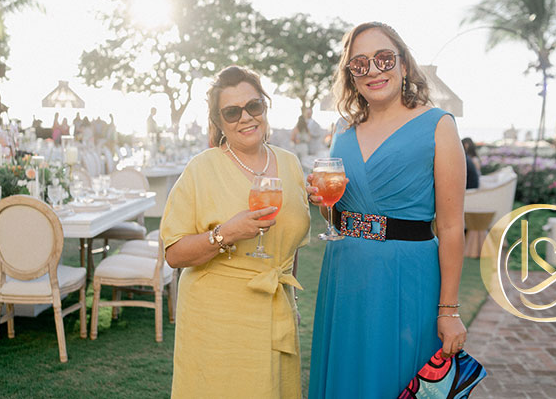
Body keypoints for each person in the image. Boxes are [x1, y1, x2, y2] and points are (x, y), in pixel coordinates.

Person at [307, 22, 467, 397]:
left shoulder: (438, 125)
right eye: (360, 63)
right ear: (351, 74)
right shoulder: (342, 129)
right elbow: (340, 216)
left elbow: (450, 227)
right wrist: (323, 203)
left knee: (396, 379)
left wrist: (449, 310)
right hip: (344, 276)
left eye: (383, 59)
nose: (373, 70)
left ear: (404, 64)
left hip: (406, 279)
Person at [160, 66, 310, 398]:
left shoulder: (290, 164)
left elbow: (291, 246)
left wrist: (293, 301)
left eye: (253, 106)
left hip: (276, 308)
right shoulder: (201, 169)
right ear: (219, 121)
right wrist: (225, 234)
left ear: (265, 107)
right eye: (232, 112)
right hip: (216, 320)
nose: (246, 117)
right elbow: (174, 254)